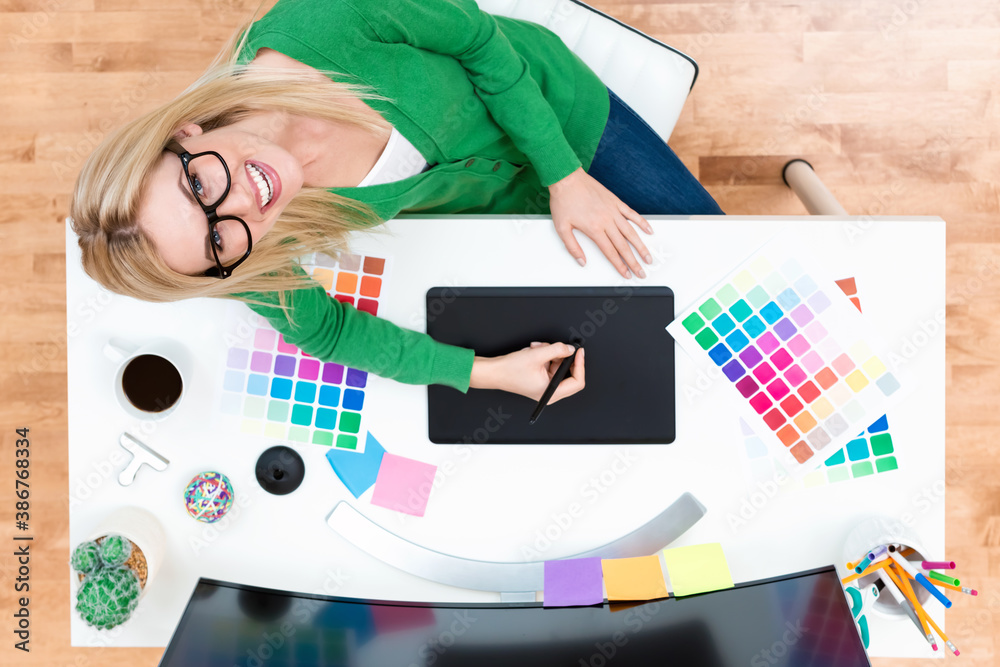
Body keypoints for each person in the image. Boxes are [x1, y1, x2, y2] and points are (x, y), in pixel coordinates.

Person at [70, 0, 723, 406]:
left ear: (186, 133)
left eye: (200, 185)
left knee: (720, 267)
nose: (244, 202)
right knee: (643, 359)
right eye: (217, 240)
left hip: (564, 119)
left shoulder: (321, 21)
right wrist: (488, 374)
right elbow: (326, 330)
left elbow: (479, 41)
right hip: (494, 210)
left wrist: (564, 175)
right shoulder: (246, 248)